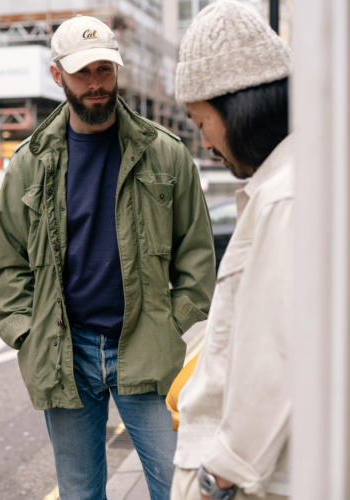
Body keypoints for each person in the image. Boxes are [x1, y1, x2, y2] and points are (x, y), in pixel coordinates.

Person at [0, 14, 216, 500]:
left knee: (179, 487)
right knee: (80, 491)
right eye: (83, 72)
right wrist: (29, 335)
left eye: (104, 70)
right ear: (57, 76)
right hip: (65, 354)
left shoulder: (166, 154)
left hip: (146, 349)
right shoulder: (30, 164)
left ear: (117, 70)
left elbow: (197, 259)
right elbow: (8, 271)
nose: (96, 84)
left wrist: (167, 322)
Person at [170, 2, 293, 499]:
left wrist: (215, 480)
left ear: (238, 111)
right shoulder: (287, 184)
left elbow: (276, 361)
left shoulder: (285, 196)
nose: (205, 143)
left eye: (202, 122)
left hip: (244, 483)